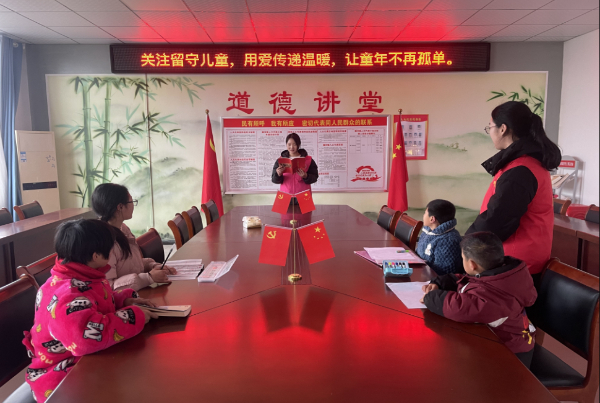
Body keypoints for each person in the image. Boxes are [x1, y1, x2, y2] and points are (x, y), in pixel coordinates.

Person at [22, 219, 158, 403]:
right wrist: (134, 316)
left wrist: (123, 300)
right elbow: (87, 338)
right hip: (59, 378)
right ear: (96, 256)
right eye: (110, 250)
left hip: (85, 362)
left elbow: (95, 301)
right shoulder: (66, 295)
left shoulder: (83, 274)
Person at [466, 101, 561, 280]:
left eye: (490, 127)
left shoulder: (520, 170)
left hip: (516, 265)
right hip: (518, 261)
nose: (490, 132)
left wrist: (467, 244)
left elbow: (497, 220)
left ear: (502, 129)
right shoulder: (523, 163)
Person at [421, 232, 537, 368]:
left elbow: (460, 307)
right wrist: (441, 282)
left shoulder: (492, 298)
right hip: (498, 340)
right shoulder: (501, 275)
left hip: (512, 355)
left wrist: (432, 297)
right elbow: (466, 281)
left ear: (472, 264)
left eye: (462, 258)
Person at [92, 183, 176, 291]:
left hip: (136, 293)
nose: (133, 205)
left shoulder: (123, 228)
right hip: (123, 299)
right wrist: (149, 278)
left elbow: (131, 265)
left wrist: (152, 266)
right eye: (131, 201)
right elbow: (109, 287)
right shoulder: (104, 241)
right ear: (120, 207)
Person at [416, 199, 463, 275]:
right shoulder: (427, 231)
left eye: (425, 213)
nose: (423, 215)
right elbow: (418, 253)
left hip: (433, 279)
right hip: (420, 270)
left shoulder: (448, 241)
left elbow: (443, 272)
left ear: (432, 219)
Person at [272, 133, 319, 202]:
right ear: (286, 144)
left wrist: (306, 176)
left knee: (306, 210)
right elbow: (274, 180)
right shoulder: (280, 160)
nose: (291, 147)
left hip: (304, 195)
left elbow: (315, 178)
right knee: (285, 210)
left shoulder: (308, 160)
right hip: (285, 195)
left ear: (298, 144)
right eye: (289, 144)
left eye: (294, 144)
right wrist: (278, 174)